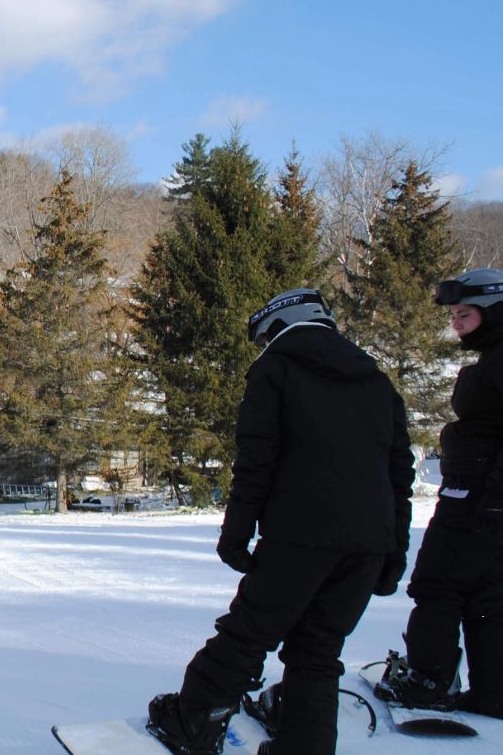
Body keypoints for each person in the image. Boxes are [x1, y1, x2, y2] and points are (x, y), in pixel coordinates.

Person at [146, 289, 414, 755]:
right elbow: (399, 474)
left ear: (276, 328)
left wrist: (235, 533)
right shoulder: (377, 382)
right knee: (318, 650)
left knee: (249, 631)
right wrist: (394, 550)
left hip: (299, 535)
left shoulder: (275, 369)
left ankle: (192, 721)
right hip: (368, 542)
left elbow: (256, 460)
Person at [374, 269, 503, 721]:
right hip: (487, 488)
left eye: (464, 314)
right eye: (454, 314)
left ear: (496, 310)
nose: (455, 323)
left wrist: (499, 493)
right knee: (483, 590)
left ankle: (426, 683)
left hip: (483, 490)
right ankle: (496, 692)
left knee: (437, 584)